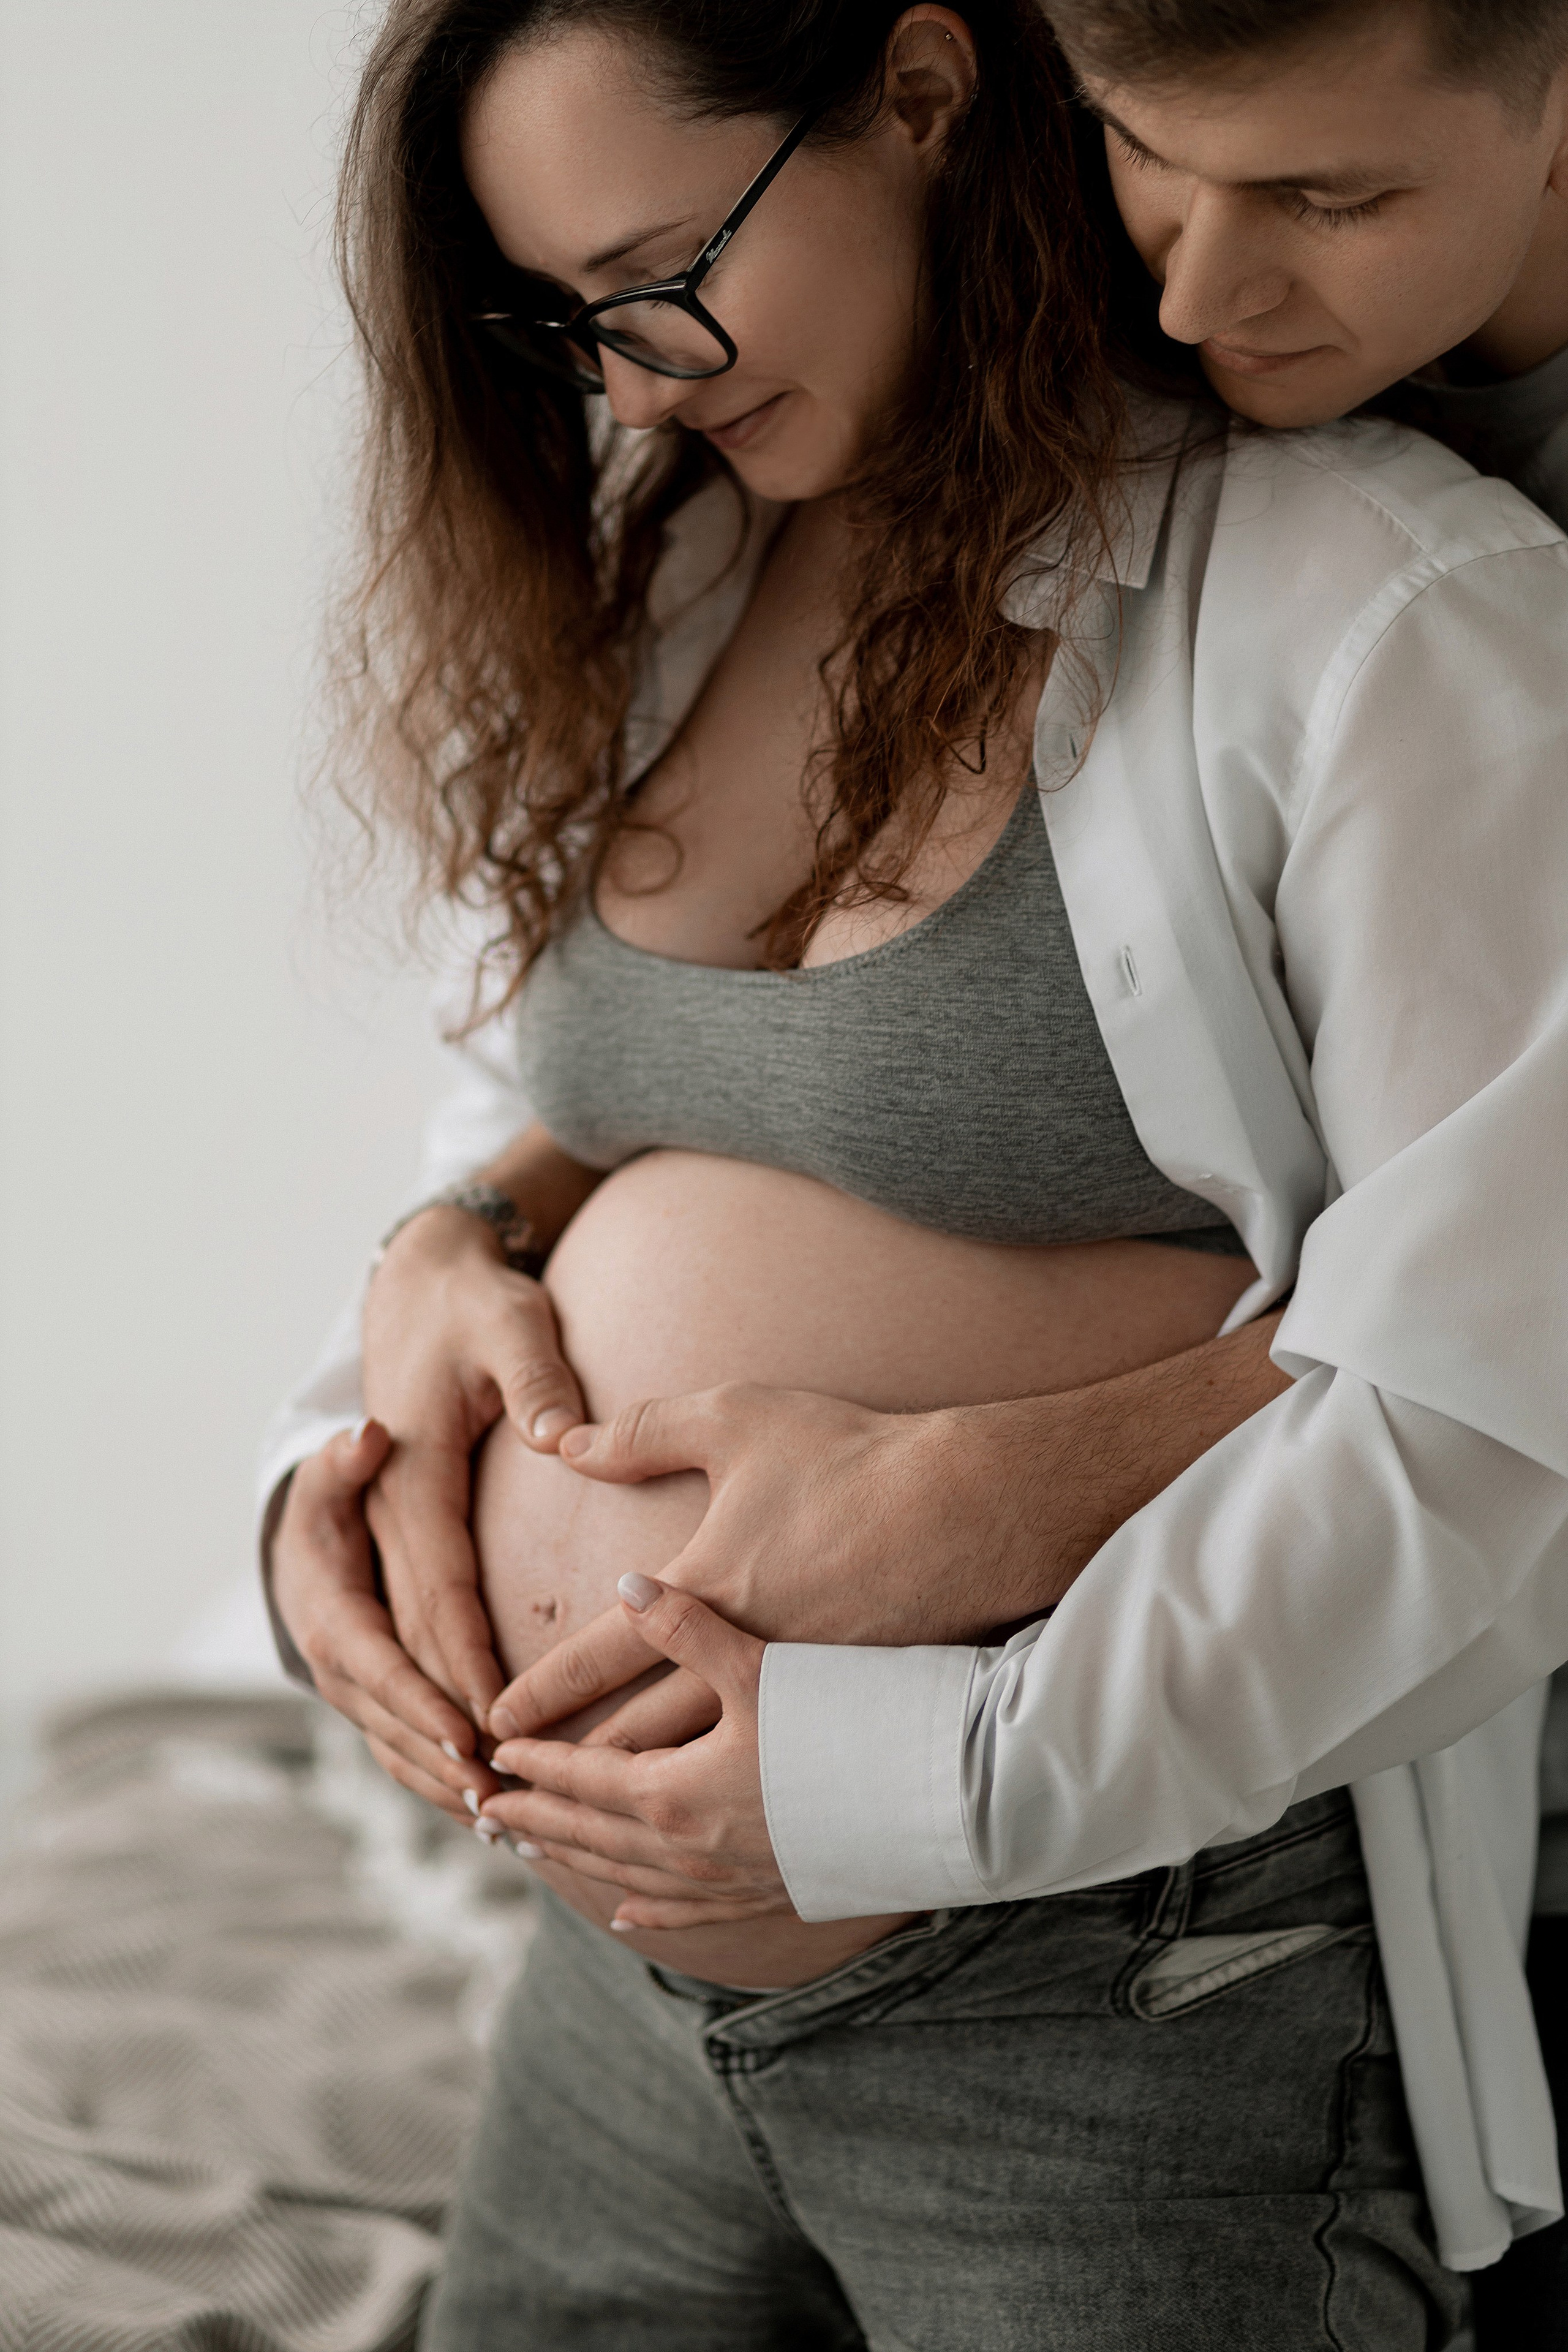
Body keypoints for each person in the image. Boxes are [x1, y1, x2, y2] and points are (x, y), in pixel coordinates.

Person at [260, 0, 1568, 2340]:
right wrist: (358, 1442)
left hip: (1109, 1987)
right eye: (570, 321)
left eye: (667, 276)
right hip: (619, 1986)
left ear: (929, 98)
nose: (636, 381)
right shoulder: (671, 587)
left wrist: (884, 1771)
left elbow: (1496, 1392)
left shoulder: (1374, 603)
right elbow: (561, 1135)